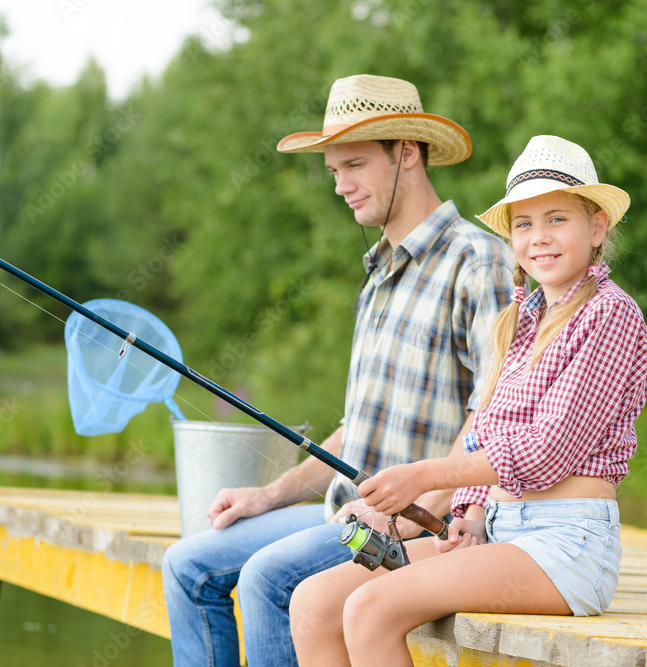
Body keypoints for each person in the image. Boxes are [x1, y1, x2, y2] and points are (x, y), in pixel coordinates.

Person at [161, 74, 519, 667]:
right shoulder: (378, 272)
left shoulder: (477, 260)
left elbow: (493, 415)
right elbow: (358, 429)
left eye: (354, 164)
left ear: (407, 152)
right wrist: (268, 495)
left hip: (414, 528)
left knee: (268, 581)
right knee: (186, 565)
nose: (341, 186)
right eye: (333, 172)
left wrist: (402, 514)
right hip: (342, 512)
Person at [289, 135, 647, 666]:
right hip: (502, 534)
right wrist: (471, 514)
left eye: (557, 219)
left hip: (565, 548)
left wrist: (424, 477)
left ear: (597, 226)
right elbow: (491, 433)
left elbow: (545, 452)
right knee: (316, 603)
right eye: (524, 225)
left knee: (371, 608)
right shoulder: (520, 323)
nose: (539, 238)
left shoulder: (609, 315)